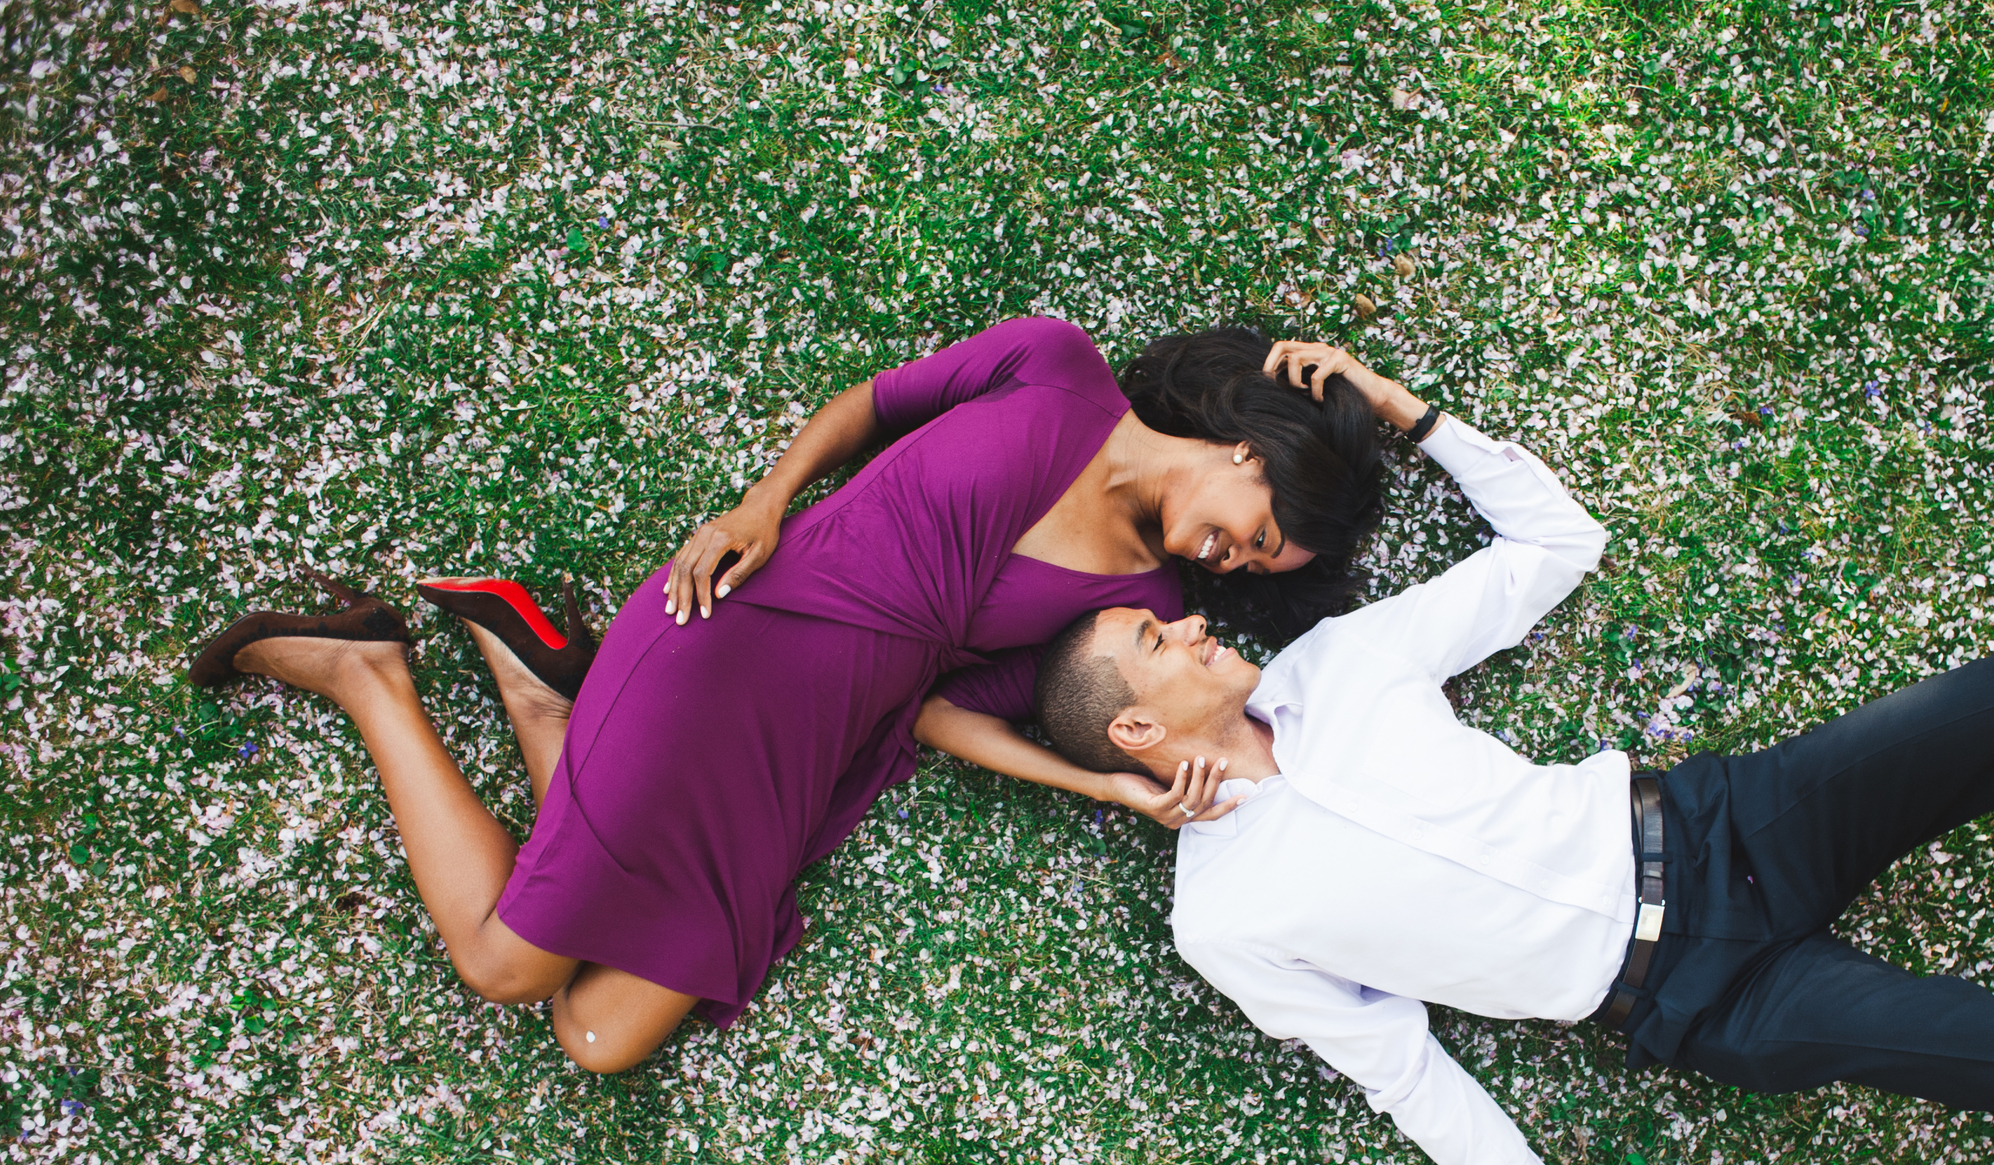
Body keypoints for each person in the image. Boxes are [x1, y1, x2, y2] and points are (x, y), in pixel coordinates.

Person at [1033, 344, 1994, 1165]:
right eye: (1160, 643)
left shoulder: (1336, 665)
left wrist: (1414, 417)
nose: (1194, 621)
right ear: (1136, 727)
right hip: (1706, 997)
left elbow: (1557, 546)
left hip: (1725, 822)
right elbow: (1404, 1073)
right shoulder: (1223, 918)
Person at [185, 319, 1382, 1073]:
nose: (1224, 563)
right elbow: (880, 404)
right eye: (1255, 532)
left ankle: (549, 693)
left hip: (801, 761)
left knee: (597, 1036)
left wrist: (1101, 781)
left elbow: (937, 714)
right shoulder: (1054, 364)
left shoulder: (1133, 598)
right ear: (1246, 452)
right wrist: (762, 503)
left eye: (1247, 568)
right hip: (727, 639)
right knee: (508, 967)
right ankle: (371, 674)